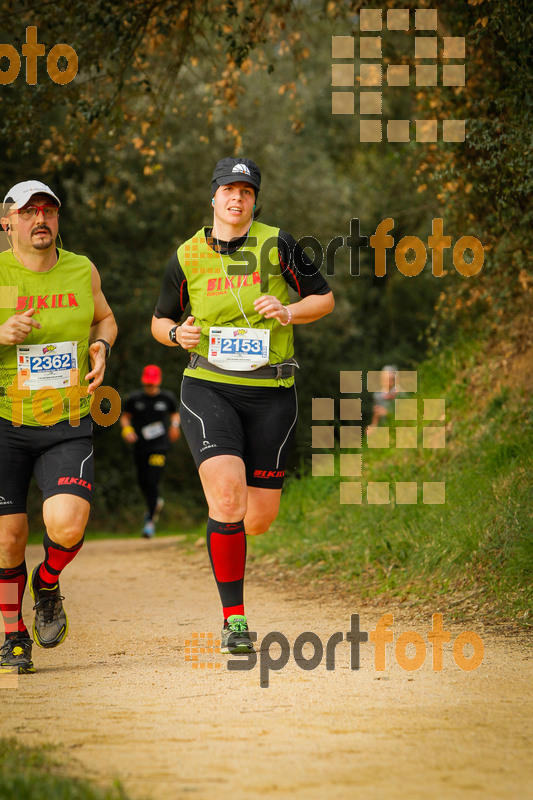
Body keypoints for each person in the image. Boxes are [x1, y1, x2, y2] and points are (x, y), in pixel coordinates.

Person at [151, 157, 334, 654]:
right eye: (229, 190)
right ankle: (235, 619)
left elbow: (325, 299)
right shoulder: (186, 255)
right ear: (213, 197)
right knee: (228, 499)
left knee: (258, 517)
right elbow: (159, 321)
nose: (237, 199)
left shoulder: (280, 244)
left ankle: (223, 526)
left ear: (255, 199)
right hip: (209, 385)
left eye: (247, 192)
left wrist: (289, 310)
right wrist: (176, 334)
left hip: (273, 391)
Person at [0, 180, 117, 674]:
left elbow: (105, 318)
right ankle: (12, 636)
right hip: (5, 420)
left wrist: (101, 347)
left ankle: (46, 584)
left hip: (67, 419)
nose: (40, 219)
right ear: (7, 222)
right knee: (7, 538)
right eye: (29, 212)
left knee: (66, 525)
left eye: (48, 210)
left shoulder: (80, 268)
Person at [120, 365, 180, 538]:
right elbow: (125, 417)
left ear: (159, 381)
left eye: (153, 384)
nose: (150, 387)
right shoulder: (134, 398)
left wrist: (175, 426)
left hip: (160, 447)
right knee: (143, 481)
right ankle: (154, 503)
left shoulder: (167, 398)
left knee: (153, 480)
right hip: (140, 447)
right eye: (148, 384)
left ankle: (149, 522)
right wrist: (127, 430)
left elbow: (175, 414)